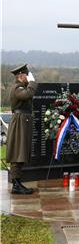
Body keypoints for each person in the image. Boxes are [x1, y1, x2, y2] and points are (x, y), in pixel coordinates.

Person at [6, 64, 37, 195]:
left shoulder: (21, 87)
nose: (28, 77)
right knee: (18, 152)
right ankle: (16, 185)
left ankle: (17, 183)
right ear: (21, 75)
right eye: (26, 75)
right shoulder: (17, 88)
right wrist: (33, 82)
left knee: (21, 152)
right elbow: (27, 94)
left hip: (22, 121)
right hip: (19, 122)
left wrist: (30, 83)